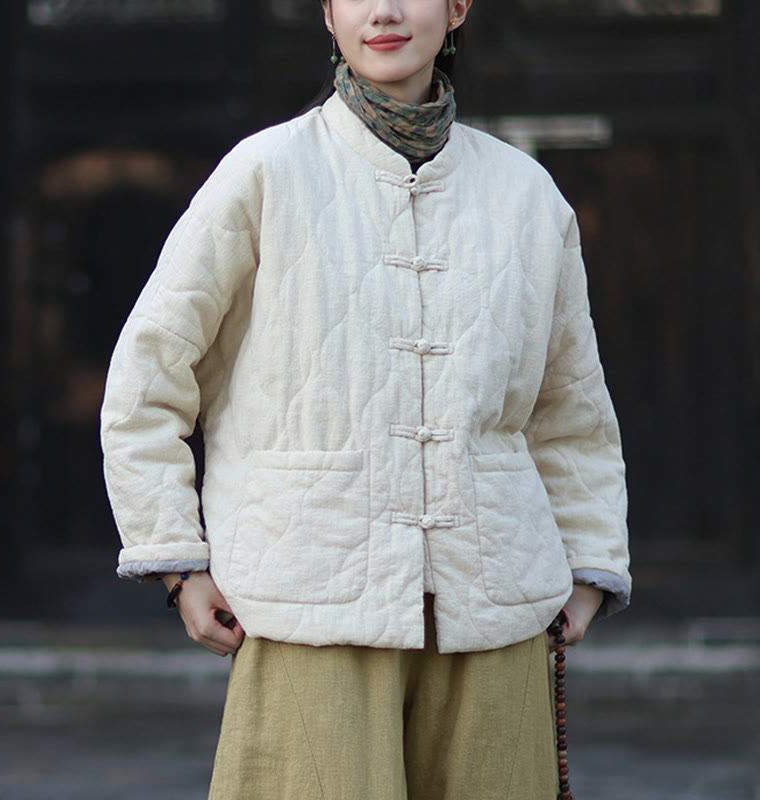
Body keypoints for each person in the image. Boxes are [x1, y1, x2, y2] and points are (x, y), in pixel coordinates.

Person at [100, 1, 631, 797]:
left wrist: (589, 565)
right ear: (327, 13)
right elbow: (148, 375)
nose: (383, 10)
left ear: (456, 9)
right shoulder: (265, 171)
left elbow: (570, 406)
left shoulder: (527, 194)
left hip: (496, 611)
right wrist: (178, 562)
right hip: (307, 600)